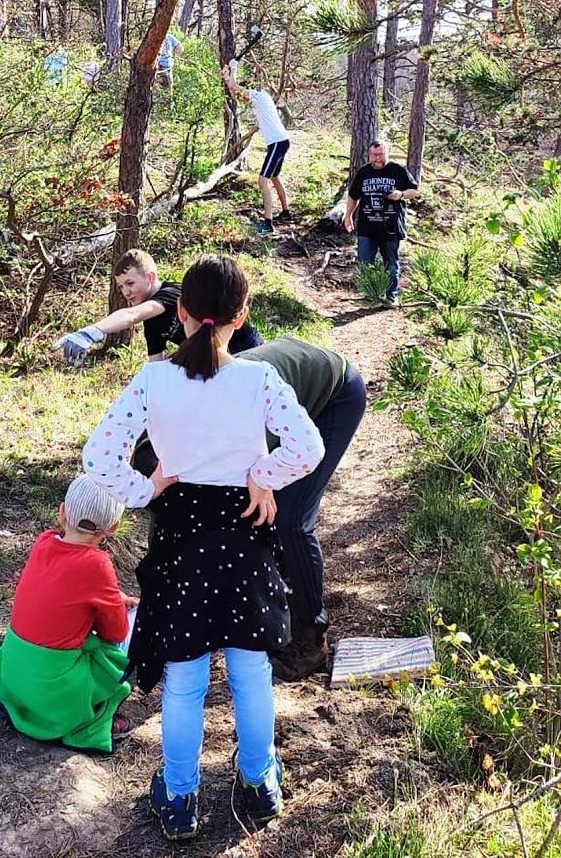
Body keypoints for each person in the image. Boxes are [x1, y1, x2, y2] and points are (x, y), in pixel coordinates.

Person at [83, 255, 324, 839]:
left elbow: (98, 457)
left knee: (186, 678)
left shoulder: (154, 380)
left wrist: (145, 489)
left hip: (181, 534)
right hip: (245, 533)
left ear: (182, 312)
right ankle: (260, 781)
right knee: (250, 669)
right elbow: (309, 448)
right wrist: (263, 475)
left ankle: (180, 796)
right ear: (243, 316)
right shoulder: (259, 379)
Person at [131, 336, 367, 681]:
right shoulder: (158, 431)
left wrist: (263, 477)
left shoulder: (231, 430)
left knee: (288, 521)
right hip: (287, 385)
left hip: (334, 393)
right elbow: (170, 539)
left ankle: (310, 638)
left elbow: (290, 459)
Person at [0, 476, 138, 754]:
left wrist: (111, 597)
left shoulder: (44, 542)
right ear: (113, 528)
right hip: (52, 693)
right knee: (139, 620)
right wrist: (115, 605)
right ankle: (92, 714)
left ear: (62, 512)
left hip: (14, 672)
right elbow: (115, 632)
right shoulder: (97, 563)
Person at [55, 248, 263, 365]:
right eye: (121, 287)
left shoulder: (172, 293)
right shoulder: (152, 324)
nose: (126, 292)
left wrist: (91, 332)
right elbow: (156, 364)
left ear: (151, 277)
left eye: (130, 283)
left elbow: (131, 315)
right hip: (215, 360)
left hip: (245, 347)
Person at [344, 140, 419, 308]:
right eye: (374, 155)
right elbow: (353, 196)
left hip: (391, 226)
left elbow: (414, 190)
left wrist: (400, 195)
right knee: (365, 263)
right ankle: (370, 296)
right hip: (367, 226)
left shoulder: (398, 170)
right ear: (369, 155)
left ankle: (392, 296)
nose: (377, 158)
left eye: (381, 155)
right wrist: (348, 216)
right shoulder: (364, 172)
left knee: (391, 264)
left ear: (387, 154)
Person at [222, 61, 292, 235]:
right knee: (274, 177)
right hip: (281, 141)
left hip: (277, 142)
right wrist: (227, 76)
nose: (244, 97)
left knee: (263, 180)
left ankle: (268, 224)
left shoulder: (259, 96)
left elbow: (235, 88)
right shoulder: (259, 99)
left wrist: (233, 68)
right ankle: (286, 213)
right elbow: (234, 91)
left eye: (245, 92)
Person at [157, 32, 184, 101]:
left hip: (167, 67)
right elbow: (180, 48)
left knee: (166, 90)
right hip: (159, 67)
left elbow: (180, 48)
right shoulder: (165, 36)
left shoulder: (169, 37)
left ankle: (167, 104)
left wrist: (175, 57)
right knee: (163, 90)